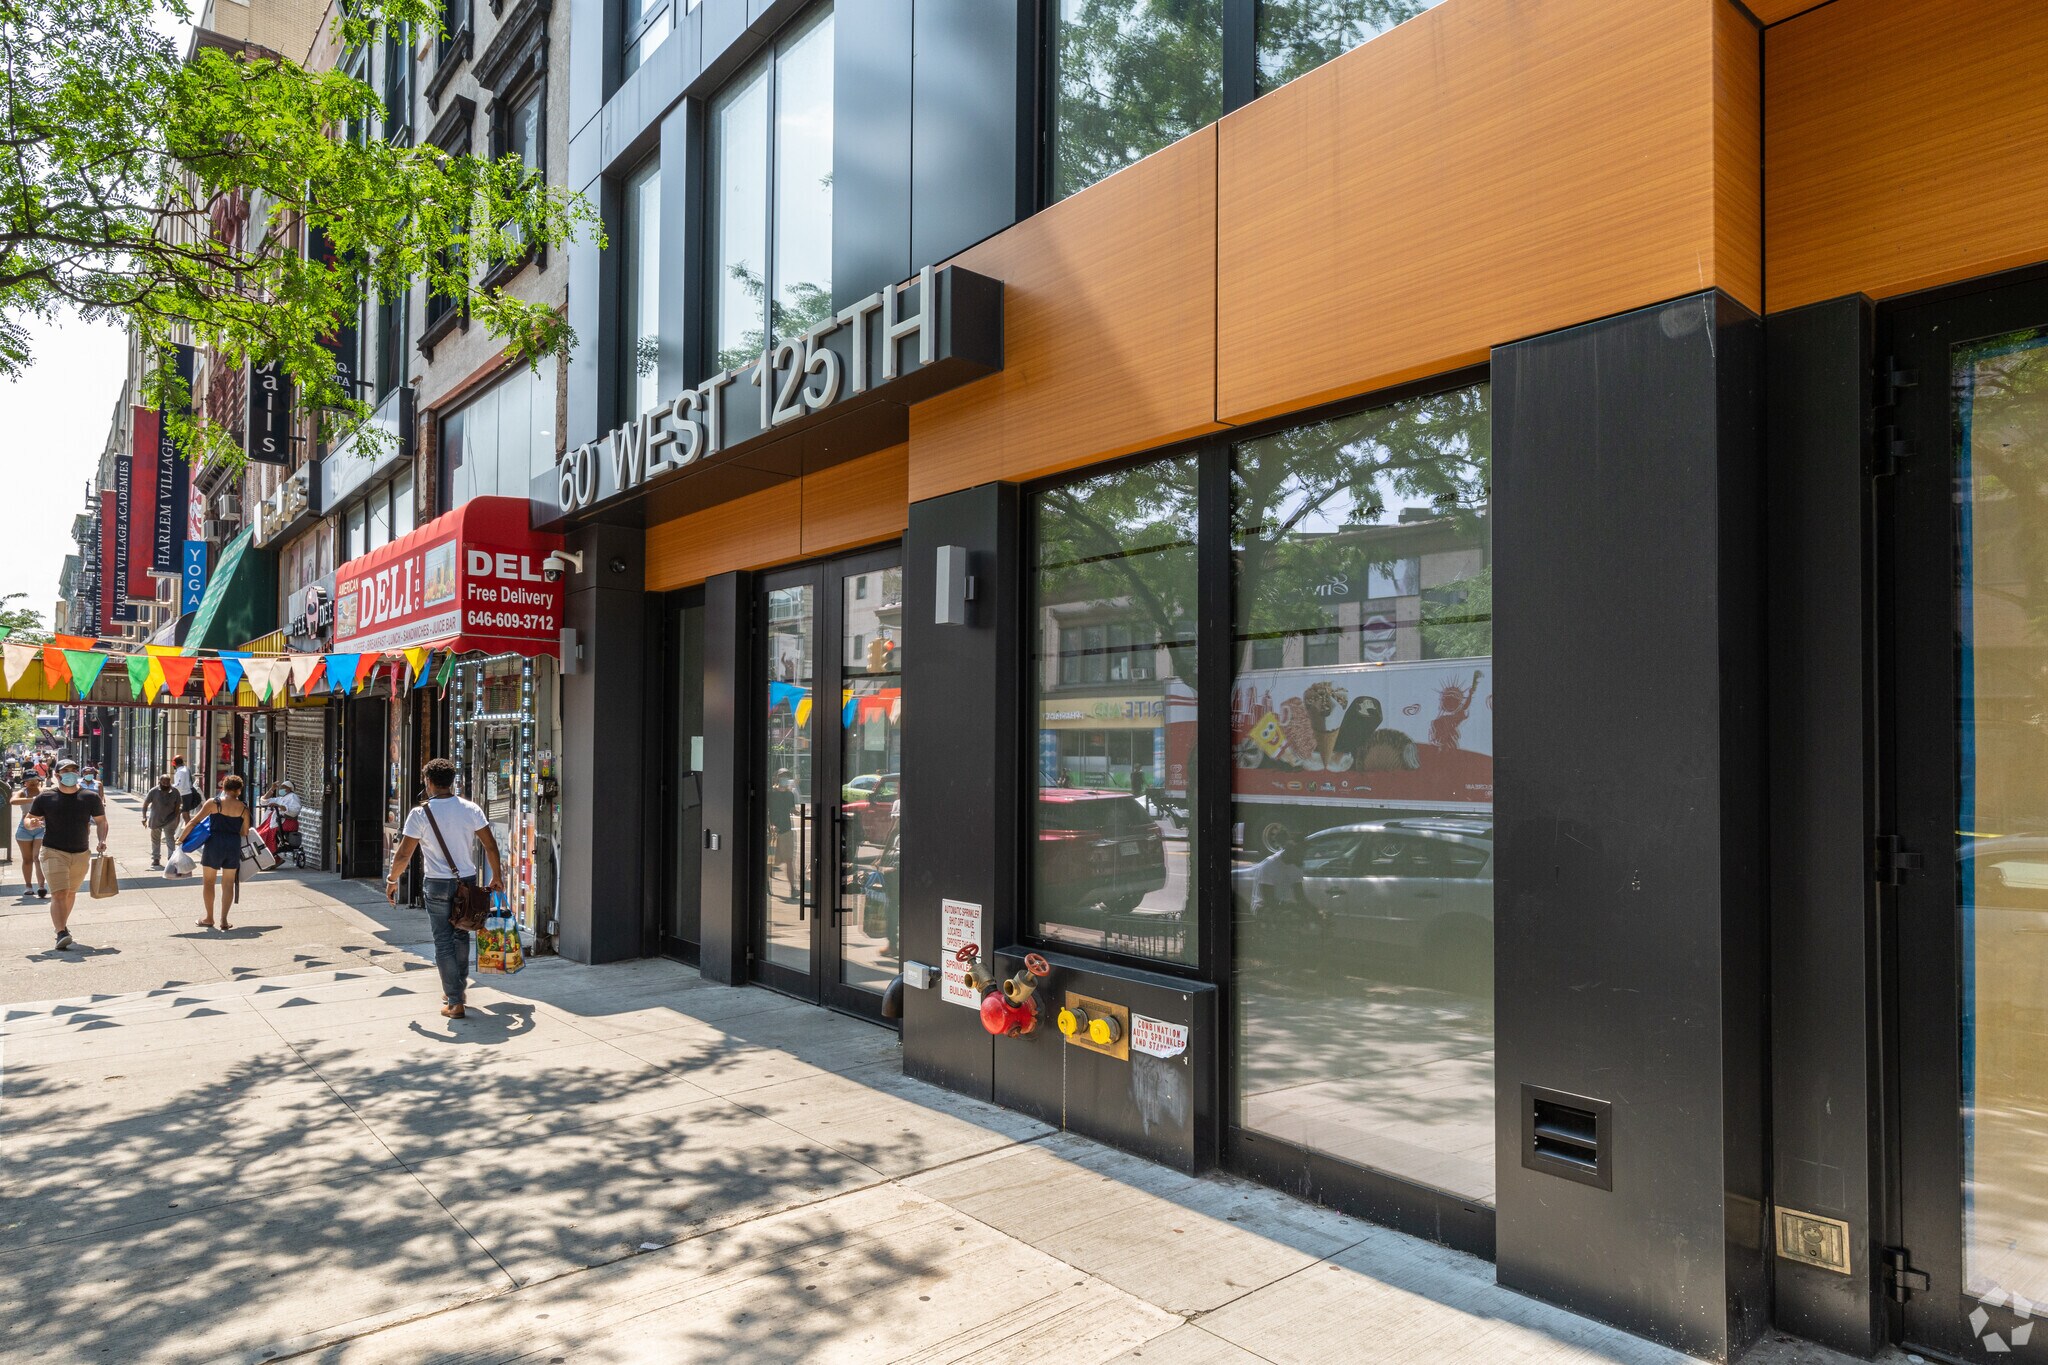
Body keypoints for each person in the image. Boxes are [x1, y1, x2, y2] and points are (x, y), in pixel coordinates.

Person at [385, 757, 504, 1021]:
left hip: (437, 883)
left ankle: (454, 1000)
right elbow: (490, 845)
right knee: (461, 935)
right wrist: (497, 875)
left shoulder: (420, 814)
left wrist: (392, 880)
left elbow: (404, 854)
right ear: (452, 782)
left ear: (428, 782)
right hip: (467, 882)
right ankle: (456, 991)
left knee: (443, 940)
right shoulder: (470, 809)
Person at [26, 760, 107, 952]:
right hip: (53, 851)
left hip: (81, 852)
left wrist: (102, 839)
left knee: (70, 893)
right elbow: (29, 819)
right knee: (59, 893)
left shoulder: (90, 797)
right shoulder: (46, 797)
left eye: (73, 770)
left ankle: (62, 925)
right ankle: (61, 932)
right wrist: (32, 824)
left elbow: (101, 821)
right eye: (65, 770)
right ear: (57, 775)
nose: (70, 773)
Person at [179, 774, 251, 931]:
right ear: (239, 790)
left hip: (214, 844)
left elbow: (194, 822)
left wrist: (180, 840)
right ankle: (224, 920)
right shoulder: (244, 808)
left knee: (209, 882)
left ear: (224, 787)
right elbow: (245, 832)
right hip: (233, 845)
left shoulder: (214, 803)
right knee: (228, 884)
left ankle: (209, 918)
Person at [11, 776, 45, 898]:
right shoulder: (22, 792)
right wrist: (32, 799)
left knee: (37, 857)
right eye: (29, 780)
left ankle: (41, 886)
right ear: (24, 782)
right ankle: (28, 886)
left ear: (39, 781)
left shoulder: (44, 792)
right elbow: (12, 801)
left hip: (41, 826)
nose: (32, 782)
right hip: (24, 827)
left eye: (34, 780)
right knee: (27, 859)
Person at [141, 774, 182, 869]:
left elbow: (177, 807)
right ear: (159, 782)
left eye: (167, 782)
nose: (166, 784)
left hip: (170, 819)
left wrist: (176, 819)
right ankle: (156, 858)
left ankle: (171, 858)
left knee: (170, 838)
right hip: (156, 819)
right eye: (163, 782)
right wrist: (144, 817)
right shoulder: (154, 791)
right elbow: (145, 804)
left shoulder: (175, 791)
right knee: (155, 839)